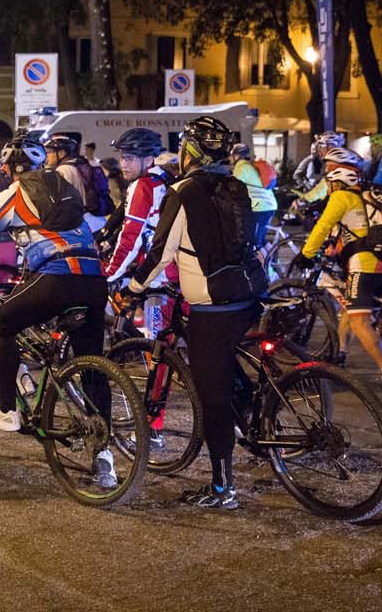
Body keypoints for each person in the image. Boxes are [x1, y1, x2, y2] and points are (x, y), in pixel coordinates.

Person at [0, 135, 111, 477]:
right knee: (93, 367)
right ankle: (105, 457)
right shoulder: (65, 188)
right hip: (94, 279)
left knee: (1, 324)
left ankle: (6, 408)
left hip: (56, 278)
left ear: (11, 168)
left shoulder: (12, 194)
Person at [132, 116, 267, 510]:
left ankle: (223, 488)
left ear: (188, 151)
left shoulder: (183, 191)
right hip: (249, 293)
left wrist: (132, 287)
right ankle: (254, 415)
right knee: (231, 370)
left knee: (213, 399)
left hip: (212, 305)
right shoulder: (236, 186)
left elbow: (161, 253)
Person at [292, 165, 382, 403]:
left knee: (359, 320)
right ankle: (340, 354)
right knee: (349, 309)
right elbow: (349, 230)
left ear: (338, 182)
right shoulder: (363, 197)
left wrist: (306, 254)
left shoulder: (341, 197)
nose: (328, 188)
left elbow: (323, 225)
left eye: (330, 183)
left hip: (364, 265)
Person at [103, 128, 177, 339]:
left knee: (155, 344)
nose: (123, 164)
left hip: (160, 276)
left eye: (130, 158)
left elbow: (131, 238)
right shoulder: (165, 178)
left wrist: (110, 274)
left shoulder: (142, 186)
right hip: (178, 270)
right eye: (122, 157)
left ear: (149, 159)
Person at [231, 143, 278, 247]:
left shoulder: (241, 168)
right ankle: (271, 255)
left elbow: (233, 188)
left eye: (231, 155)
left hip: (260, 207)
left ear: (236, 156)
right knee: (260, 238)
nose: (230, 159)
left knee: (255, 241)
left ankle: (264, 257)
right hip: (267, 205)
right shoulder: (249, 166)